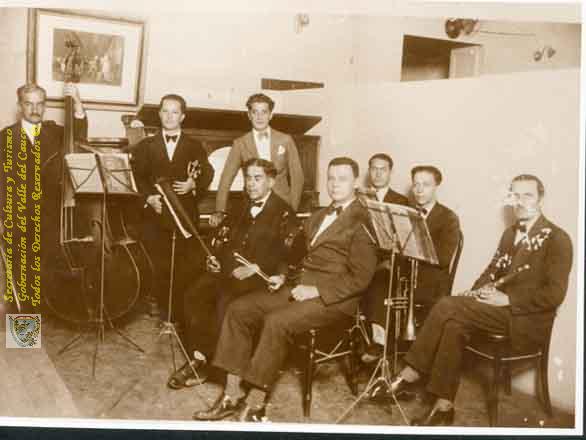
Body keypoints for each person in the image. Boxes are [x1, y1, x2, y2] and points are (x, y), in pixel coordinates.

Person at [194, 157, 378, 422]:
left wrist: (316, 291)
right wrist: (282, 275)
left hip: (334, 299)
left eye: (343, 179)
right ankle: (231, 395)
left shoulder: (364, 221)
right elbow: (295, 255)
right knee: (238, 309)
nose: (335, 184)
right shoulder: (319, 215)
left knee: (277, 322)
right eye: (331, 178)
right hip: (297, 286)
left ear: (356, 182)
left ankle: (256, 404)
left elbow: (361, 278)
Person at [391, 174, 573, 426]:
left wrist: (508, 299)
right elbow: (491, 271)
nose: (520, 202)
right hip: (497, 313)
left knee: (446, 304)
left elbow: (555, 294)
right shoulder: (510, 234)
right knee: (453, 324)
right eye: (515, 195)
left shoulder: (558, 239)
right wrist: (476, 292)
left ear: (540, 199)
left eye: (527, 195)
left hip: (525, 321)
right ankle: (444, 405)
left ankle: (410, 372)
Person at [167, 158, 296, 389]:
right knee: (193, 294)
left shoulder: (284, 212)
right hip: (231, 271)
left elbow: (286, 256)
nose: (251, 184)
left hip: (260, 278)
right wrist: (216, 260)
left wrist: (257, 268)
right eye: (248, 178)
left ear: (271, 181)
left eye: (257, 178)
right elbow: (226, 240)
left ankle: (209, 364)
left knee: (225, 300)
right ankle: (199, 355)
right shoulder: (241, 206)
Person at [0, 83, 87, 313]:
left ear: (45, 105)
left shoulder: (56, 133)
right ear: (20, 106)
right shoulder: (5, 137)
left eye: (40, 104)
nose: (35, 109)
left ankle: (47, 323)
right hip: (17, 217)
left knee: (47, 274)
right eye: (29, 104)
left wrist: (77, 103)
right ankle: (25, 332)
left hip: (51, 217)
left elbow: (78, 137)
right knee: (20, 278)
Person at [362, 165, 461, 362]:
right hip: (407, 273)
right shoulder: (405, 213)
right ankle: (380, 343)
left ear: (436, 187)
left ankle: (412, 354)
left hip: (431, 279)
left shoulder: (448, 217)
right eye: (416, 184)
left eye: (426, 185)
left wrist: (414, 248)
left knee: (392, 284)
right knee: (378, 281)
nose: (419, 190)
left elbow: (443, 258)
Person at [130, 94, 214, 325]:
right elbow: (137, 178)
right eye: (165, 111)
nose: (169, 116)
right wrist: (149, 198)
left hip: (183, 215)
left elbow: (207, 172)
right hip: (155, 215)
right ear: (159, 114)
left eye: (175, 112)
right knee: (157, 262)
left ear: (182, 116)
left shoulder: (194, 145)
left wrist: (192, 184)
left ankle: (177, 312)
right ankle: (159, 305)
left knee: (183, 265)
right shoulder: (145, 146)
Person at [209, 93, 304, 227]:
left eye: (264, 112)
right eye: (255, 112)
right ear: (249, 115)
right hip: (251, 206)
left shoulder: (285, 140)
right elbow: (226, 178)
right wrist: (219, 210)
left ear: (271, 115)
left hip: (281, 205)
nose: (259, 117)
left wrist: (292, 209)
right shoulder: (240, 143)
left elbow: (298, 177)